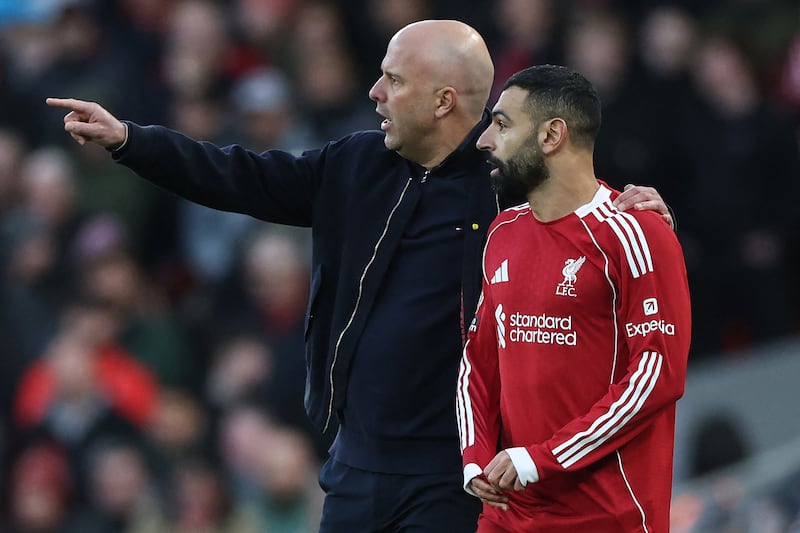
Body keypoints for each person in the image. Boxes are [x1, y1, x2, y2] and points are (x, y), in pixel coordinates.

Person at [47, 19, 671, 533]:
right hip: (355, 464)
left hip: (458, 476)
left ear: (443, 101)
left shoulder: (510, 188)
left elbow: (588, 214)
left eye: (393, 80)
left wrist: (635, 208)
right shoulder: (353, 164)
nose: (374, 92)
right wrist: (132, 140)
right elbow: (240, 175)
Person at [456, 64, 690, 532]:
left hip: (605, 516)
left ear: (551, 136)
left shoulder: (637, 233)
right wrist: (476, 456)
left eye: (501, 125)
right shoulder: (502, 232)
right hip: (507, 514)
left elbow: (656, 375)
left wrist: (544, 459)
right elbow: (477, 362)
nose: (483, 141)